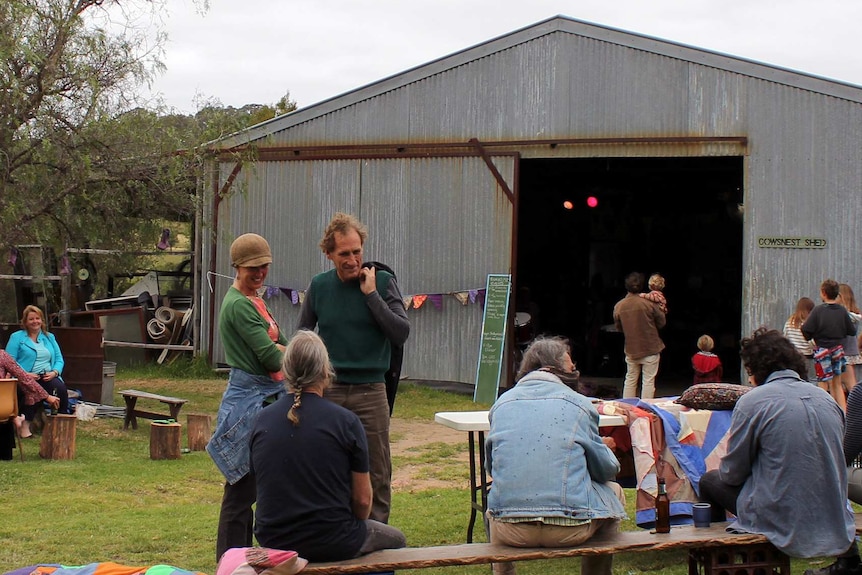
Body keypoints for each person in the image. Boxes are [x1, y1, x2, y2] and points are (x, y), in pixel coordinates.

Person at [699, 328, 860, 575]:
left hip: (782, 515)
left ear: (754, 370)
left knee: (710, 480)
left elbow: (732, 474)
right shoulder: (827, 399)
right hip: (834, 512)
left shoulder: (753, 402)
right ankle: (848, 561)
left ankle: (727, 562)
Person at [251, 330, 406, 561]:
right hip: (335, 538)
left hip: (275, 540)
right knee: (396, 540)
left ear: (285, 372)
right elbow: (363, 503)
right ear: (325, 371)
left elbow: (261, 487)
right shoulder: (346, 421)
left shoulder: (261, 420)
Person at [297, 212, 410, 524]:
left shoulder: (384, 282)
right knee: (326, 465)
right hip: (327, 391)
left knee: (377, 469)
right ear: (329, 253)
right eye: (344, 253)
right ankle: (332, 531)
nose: (352, 259)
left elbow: (401, 332)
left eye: (357, 251)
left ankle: (377, 540)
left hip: (371, 391)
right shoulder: (319, 287)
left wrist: (372, 296)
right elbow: (302, 338)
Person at [485, 336, 626, 575]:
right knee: (615, 491)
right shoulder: (580, 404)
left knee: (494, 498)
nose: (576, 372)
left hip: (509, 528)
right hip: (570, 528)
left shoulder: (501, 404)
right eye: (572, 368)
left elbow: (493, 468)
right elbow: (606, 471)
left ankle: (504, 572)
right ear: (552, 368)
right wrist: (603, 448)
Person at [206, 233, 288, 562]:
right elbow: (273, 357)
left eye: (264, 266)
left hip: (266, 398)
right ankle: (229, 561)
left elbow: (284, 342)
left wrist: (285, 349)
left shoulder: (255, 299)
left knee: (255, 486)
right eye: (252, 268)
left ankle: (244, 559)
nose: (259, 273)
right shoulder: (238, 305)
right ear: (237, 267)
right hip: (249, 402)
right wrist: (289, 352)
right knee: (240, 489)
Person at [6, 305, 69, 427]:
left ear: (42, 320)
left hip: (47, 376)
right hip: (25, 378)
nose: (35, 321)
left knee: (60, 389)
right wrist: (25, 375)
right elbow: (9, 361)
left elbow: (59, 359)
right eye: (31, 319)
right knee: (32, 391)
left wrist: (55, 372)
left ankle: (61, 423)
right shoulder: (16, 337)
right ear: (25, 322)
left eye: (37, 318)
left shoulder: (49, 337)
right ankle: (25, 425)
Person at [802, 279, 856, 410]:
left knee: (823, 383)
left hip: (822, 350)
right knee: (837, 384)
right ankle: (843, 414)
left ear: (823, 293)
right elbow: (852, 331)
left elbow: (806, 329)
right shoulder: (842, 311)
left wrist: (812, 339)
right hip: (837, 350)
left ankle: (824, 411)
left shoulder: (818, 310)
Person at [613, 271, 666, 399]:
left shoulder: (619, 306)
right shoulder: (650, 304)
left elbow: (619, 328)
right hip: (651, 347)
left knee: (630, 379)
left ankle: (627, 407)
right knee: (648, 381)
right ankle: (645, 409)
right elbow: (661, 322)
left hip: (631, 349)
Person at [0, 349, 61, 439]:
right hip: (3, 410)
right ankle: (14, 417)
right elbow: (24, 378)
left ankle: (15, 418)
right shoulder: (2, 355)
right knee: (20, 387)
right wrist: (47, 397)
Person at [783, 296, 815, 379]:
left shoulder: (789, 322)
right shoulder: (808, 324)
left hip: (794, 356)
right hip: (808, 356)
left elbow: (785, 338)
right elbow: (812, 342)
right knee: (810, 379)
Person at [838, 283, 861, 393]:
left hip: (843, 352)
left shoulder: (844, 315)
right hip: (850, 351)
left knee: (850, 385)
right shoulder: (854, 314)